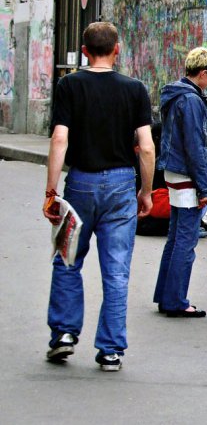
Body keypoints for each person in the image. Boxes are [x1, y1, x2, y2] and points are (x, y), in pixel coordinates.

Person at [42, 21, 154, 372]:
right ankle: (109, 349)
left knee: (67, 259)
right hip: (122, 186)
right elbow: (147, 148)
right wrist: (146, 192)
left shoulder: (69, 85)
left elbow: (60, 140)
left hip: (79, 185)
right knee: (116, 270)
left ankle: (63, 334)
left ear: (85, 50)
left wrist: (51, 190)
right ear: (117, 49)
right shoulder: (135, 89)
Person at [152, 48, 207, 318]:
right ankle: (177, 300)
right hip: (187, 173)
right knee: (186, 240)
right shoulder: (191, 100)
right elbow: (194, 144)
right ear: (203, 73)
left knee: (175, 236)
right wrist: (204, 187)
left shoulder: (175, 93)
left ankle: (165, 295)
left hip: (174, 170)